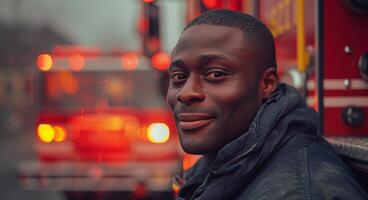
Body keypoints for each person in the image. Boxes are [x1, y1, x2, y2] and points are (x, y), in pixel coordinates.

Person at [166, 9, 367, 200]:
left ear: (267, 84)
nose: (186, 93)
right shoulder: (220, 165)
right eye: (178, 76)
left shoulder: (301, 193)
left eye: (215, 74)